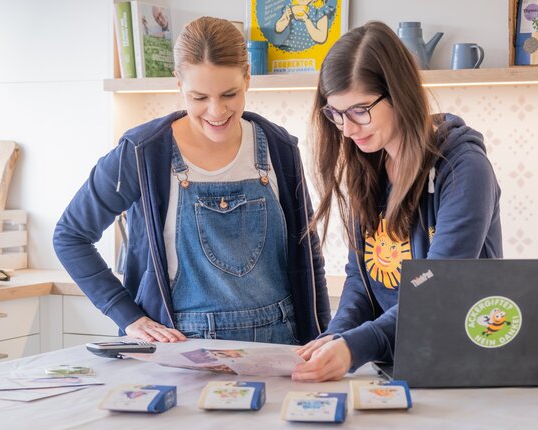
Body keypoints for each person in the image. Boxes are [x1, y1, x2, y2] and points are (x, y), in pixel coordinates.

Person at [53, 17, 330, 345]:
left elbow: (308, 253)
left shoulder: (279, 148)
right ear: (178, 85)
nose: (216, 111)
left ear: (248, 79)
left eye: (229, 94)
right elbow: (70, 236)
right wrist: (127, 315)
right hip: (179, 350)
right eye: (199, 97)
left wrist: (324, 337)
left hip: (279, 345)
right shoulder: (143, 152)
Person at [292, 21, 503, 382]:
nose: (347, 129)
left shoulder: (463, 168)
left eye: (360, 110)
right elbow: (360, 276)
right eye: (336, 114)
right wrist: (336, 336)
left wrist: (354, 347)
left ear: (398, 92)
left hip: (462, 369)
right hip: (399, 365)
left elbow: (438, 285)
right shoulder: (368, 162)